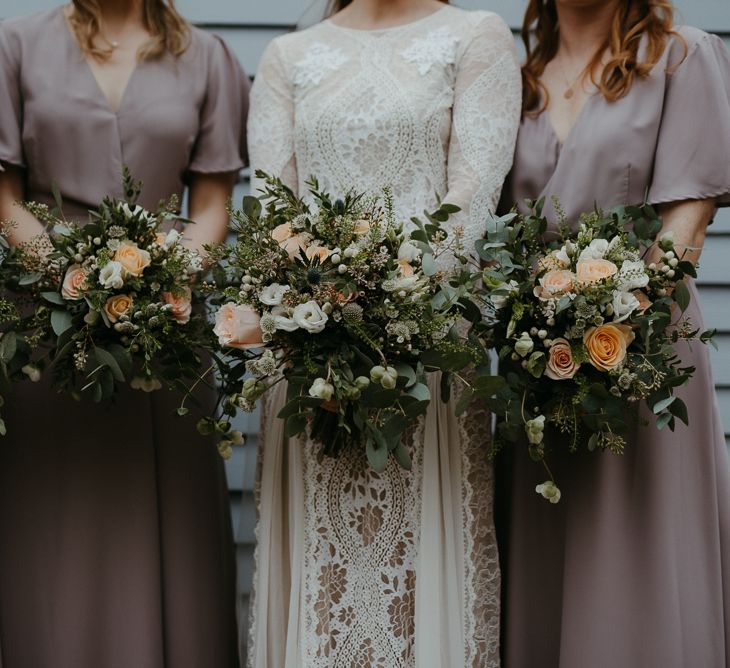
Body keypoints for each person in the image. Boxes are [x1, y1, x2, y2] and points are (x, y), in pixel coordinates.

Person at [244, 0, 521, 665]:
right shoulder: (288, 57)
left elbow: (474, 194)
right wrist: (322, 303)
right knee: (321, 559)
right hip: (313, 348)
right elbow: (272, 204)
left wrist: (389, 303)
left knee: (422, 551)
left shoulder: (474, 37)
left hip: (426, 346)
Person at [0, 1, 249, 666]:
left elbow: (214, 199)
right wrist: (75, 280)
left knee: (170, 526)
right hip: (48, 327)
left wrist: (163, 278)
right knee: (56, 523)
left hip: (166, 328)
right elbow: (6, 196)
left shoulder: (207, 56)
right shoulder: (18, 45)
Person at [497, 1, 730, 666]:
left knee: (634, 545)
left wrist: (617, 312)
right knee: (546, 531)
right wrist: (541, 323)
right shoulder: (518, 81)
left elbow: (686, 222)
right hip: (537, 355)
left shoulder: (681, 56)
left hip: (644, 347)